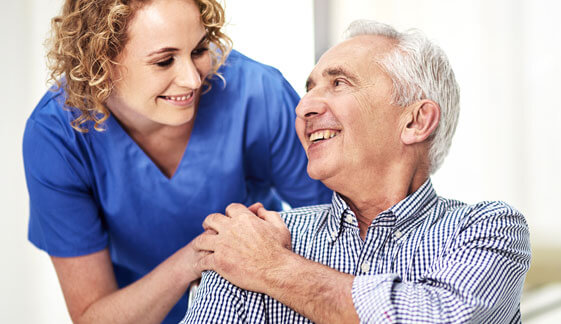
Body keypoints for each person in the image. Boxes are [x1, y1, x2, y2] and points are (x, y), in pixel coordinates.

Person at [183, 20, 531, 323]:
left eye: (339, 83)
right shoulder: (254, 236)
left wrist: (273, 268)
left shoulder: (488, 231)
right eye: (309, 89)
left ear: (415, 121)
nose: (303, 106)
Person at [22, 0, 331, 323]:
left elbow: (339, 231)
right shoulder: (57, 137)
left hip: (257, 305)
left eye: (199, 50)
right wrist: (195, 259)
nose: (193, 80)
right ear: (100, 61)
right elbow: (92, 315)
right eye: (165, 61)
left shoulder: (257, 94)